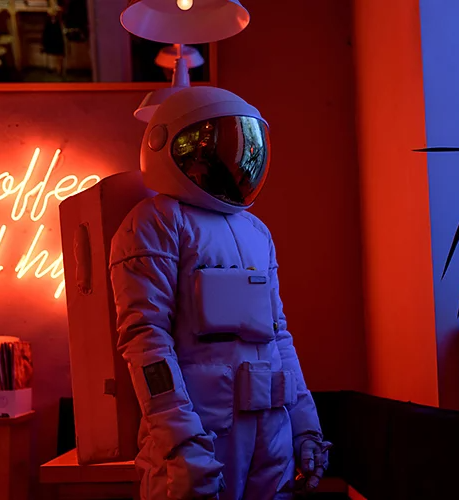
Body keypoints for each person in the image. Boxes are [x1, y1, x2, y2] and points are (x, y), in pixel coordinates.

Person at [110, 86, 330, 500]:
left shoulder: (256, 232)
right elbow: (146, 341)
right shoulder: (155, 223)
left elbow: (278, 336)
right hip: (202, 436)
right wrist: (179, 438)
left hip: (272, 433)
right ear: (163, 143)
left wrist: (305, 427)